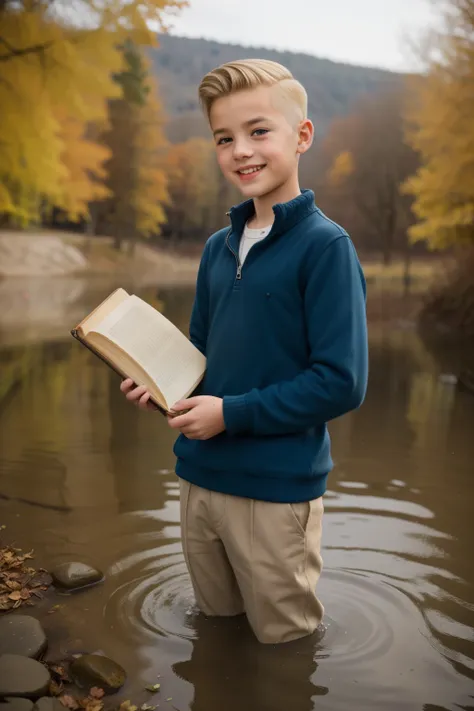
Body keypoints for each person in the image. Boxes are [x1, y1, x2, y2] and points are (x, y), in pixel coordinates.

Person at [120, 58, 368, 644]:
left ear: (302, 136)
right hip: (198, 477)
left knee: (284, 648)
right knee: (216, 634)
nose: (241, 151)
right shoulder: (216, 247)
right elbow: (201, 360)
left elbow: (341, 382)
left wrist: (230, 413)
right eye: (224, 138)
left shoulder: (325, 247)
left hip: (275, 492)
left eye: (259, 131)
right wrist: (156, 386)